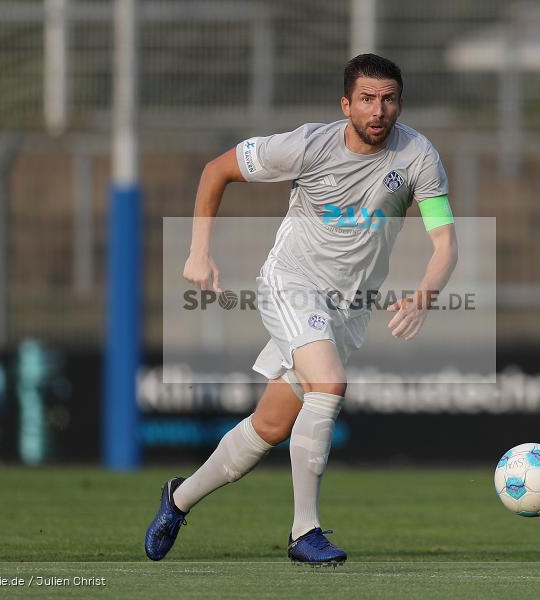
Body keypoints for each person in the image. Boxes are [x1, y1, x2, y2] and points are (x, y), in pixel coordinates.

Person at [144, 53, 458, 565]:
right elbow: (215, 170)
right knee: (329, 385)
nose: (378, 110)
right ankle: (303, 532)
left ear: (399, 103)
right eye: (366, 99)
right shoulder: (308, 144)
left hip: (348, 308)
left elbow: (445, 243)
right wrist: (198, 251)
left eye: (388, 99)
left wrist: (424, 294)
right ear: (345, 104)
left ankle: (177, 500)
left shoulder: (419, 155)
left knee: (269, 427)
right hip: (291, 284)